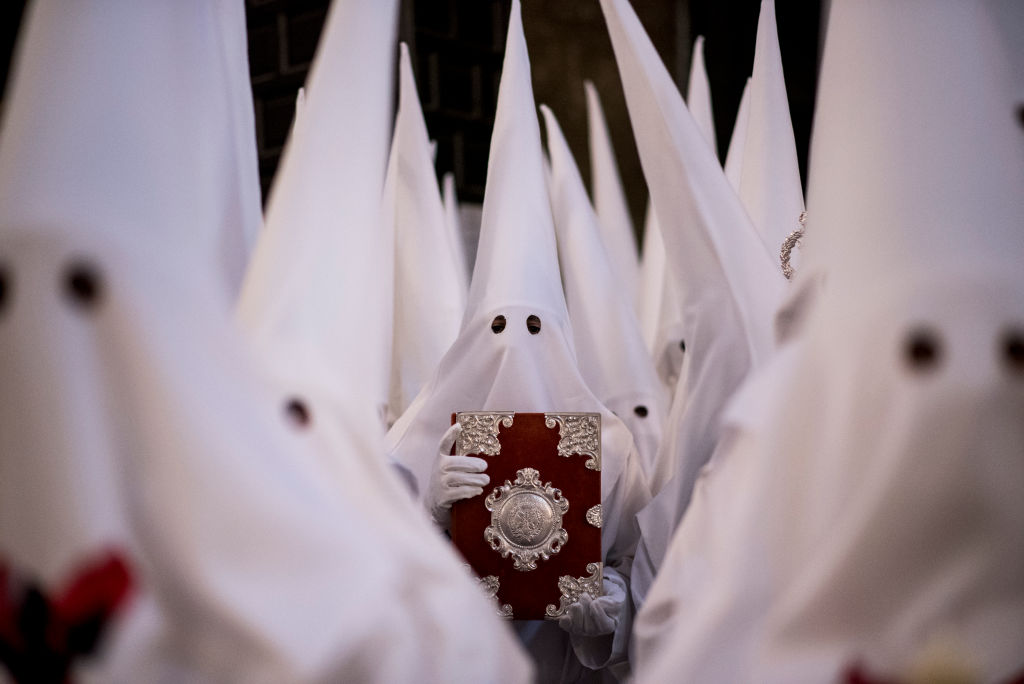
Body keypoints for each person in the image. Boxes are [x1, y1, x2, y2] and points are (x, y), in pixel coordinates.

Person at [386, 2, 649, 680]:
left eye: (535, 328)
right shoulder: (418, 445)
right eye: (497, 326)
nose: (515, 345)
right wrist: (429, 511)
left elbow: (639, 594)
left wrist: (596, 603)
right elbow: (374, 579)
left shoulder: (613, 449)